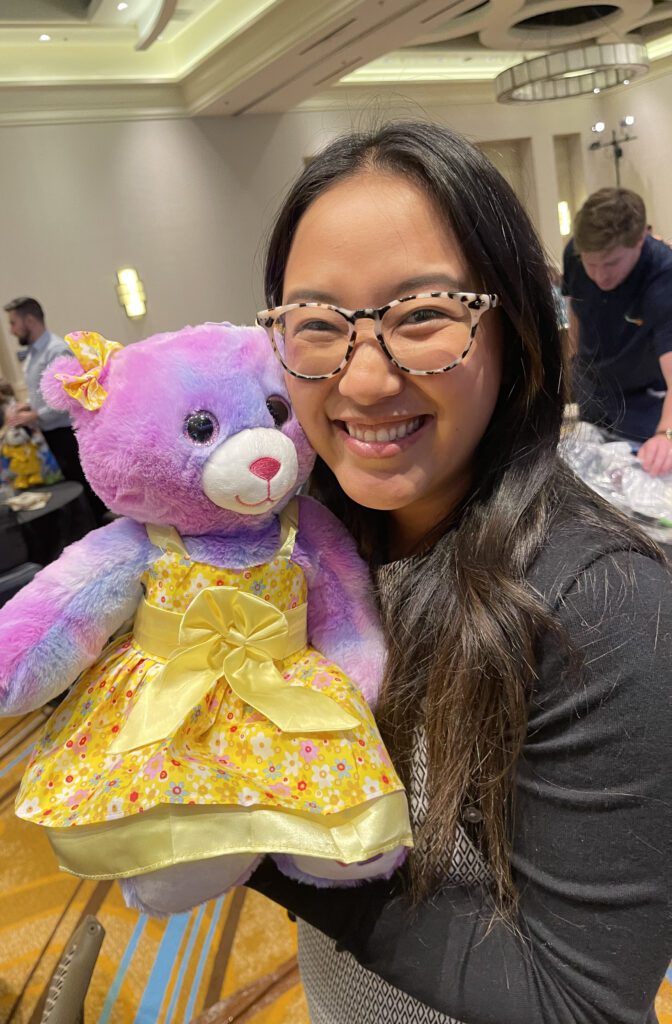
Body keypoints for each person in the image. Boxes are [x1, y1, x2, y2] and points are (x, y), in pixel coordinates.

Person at [246, 122, 672, 1023]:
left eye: (422, 315)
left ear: (515, 327)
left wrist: (243, 828)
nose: (362, 381)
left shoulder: (596, 602)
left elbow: (579, 1001)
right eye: (318, 324)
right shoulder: (314, 558)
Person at [563, 187, 672, 477]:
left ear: (641, 239)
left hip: (643, 397)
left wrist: (665, 434)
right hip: (591, 381)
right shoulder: (574, 254)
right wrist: (572, 361)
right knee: (594, 476)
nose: (599, 275)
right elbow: (575, 310)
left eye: (610, 263)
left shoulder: (663, 275)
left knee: (649, 472)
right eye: (591, 264)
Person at [3, 296, 105, 520]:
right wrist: (27, 406)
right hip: (51, 435)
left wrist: (35, 414)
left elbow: (69, 398)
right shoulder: (33, 354)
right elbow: (45, 394)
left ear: (29, 321)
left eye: (13, 323)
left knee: (84, 495)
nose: (11, 330)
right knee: (71, 495)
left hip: (67, 434)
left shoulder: (56, 351)